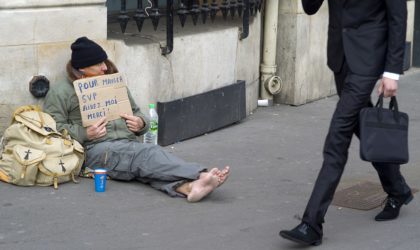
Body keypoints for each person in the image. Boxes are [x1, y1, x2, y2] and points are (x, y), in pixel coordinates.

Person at [280, 0, 413, 246]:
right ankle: (398, 189)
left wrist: (392, 72)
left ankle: (312, 224)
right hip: (341, 56)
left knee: (337, 137)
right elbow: (309, 7)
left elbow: (398, 17)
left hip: (369, 57)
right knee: (360, 125)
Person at [43, 36, 230, 202]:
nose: (105, 67)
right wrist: (85, 133)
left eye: (105, 62)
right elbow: (51, 129)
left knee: (144, 167)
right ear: (82, 69)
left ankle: (189, 188)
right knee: (146, 155)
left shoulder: (111, 81)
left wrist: (140, 123)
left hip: (127, 143)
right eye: (99, 64)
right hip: (96, 150)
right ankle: (200, 175)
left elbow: (136, 111)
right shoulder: (61, 91)